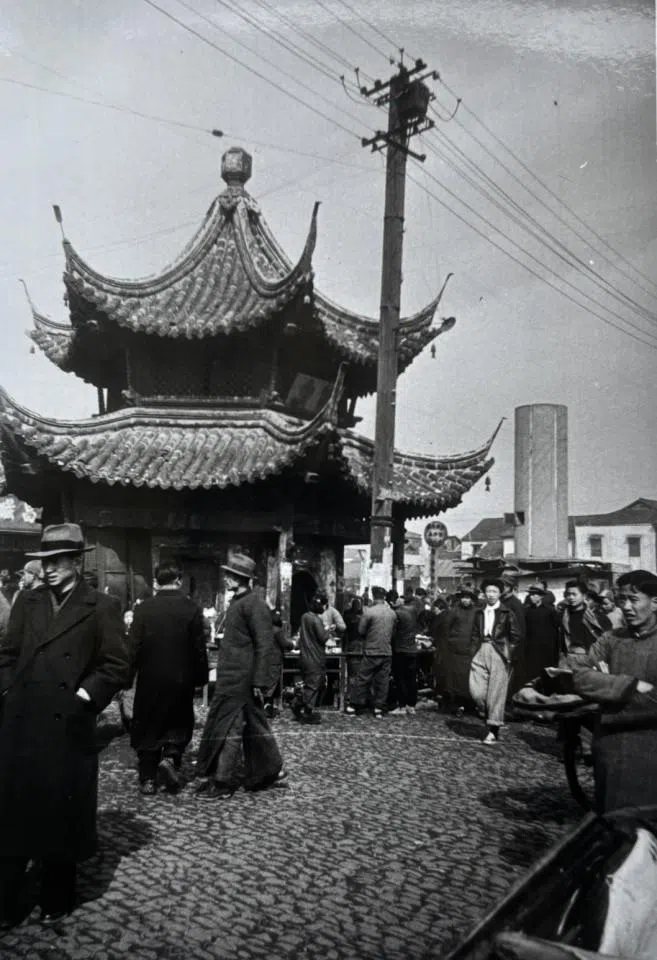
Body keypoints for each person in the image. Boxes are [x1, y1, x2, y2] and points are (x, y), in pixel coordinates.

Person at [0, 523, 129, 926]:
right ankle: (6, 901)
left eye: (58, 561)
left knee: (61, 811)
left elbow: (117, 665)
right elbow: (7, 652)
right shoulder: (28, 601)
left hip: (68, 725)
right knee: (14, 812)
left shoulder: (101, 606)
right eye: (45, 562)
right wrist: (7, 689)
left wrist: (84, 697)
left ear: (76, 562)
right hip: (21, 722)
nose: (49, 569)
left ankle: (56, 897)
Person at [195, 553, 285, 798]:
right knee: (251, 726)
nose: (226, 578)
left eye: (231, 575)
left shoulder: (254, 604)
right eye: (227, 574)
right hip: (231, 678)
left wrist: (259, 681)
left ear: (242, 578)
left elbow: (265, 645)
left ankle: (222, 782)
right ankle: (269, 770)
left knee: (230, 729)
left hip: (241, 680)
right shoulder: (238, 602)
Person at [571, 570, 657, 812]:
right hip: (610, 747)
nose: (626, 607)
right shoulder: (611, 639)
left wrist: (606, 696)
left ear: (655, 602)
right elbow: (580, 675)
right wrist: (628, 685)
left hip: (651, 748)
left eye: (634, 599)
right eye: (622, 600)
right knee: (611, 817)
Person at [128, 562, 209, 795]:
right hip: (180, 679)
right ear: (179, 580)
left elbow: (132, 647)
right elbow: (199, 649)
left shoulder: (143, 609)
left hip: (150, 678)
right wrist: (200, 677)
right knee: (178, 720)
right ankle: (171, 757)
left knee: (148, 723)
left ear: (156, 582)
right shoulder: (191, 609)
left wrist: (127, 677)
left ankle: (147, 778)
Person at [469, 577, 521, 743]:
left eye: (494, 591)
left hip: (499, 651)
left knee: (496, 693)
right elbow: (475, 633)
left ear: (500, 594)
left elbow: (516, 636)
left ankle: (493, 730)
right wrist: (473, 651)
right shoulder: (479, 612)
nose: (491, 594)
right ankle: (488, 715)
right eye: (488, 591)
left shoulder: (507, 613)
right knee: (476, 691)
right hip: (481, 650)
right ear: (484, 594)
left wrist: (508, 654)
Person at [346, 585, 396, 718]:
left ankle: (354, 705)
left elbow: (361, 630)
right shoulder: (392, 613)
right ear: (384, 597)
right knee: (383, 680)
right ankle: (379, 708)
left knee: (363, 678)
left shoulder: (369, 612)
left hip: (371, 650)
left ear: (373, 597)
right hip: (386, 650)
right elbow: (393, 632)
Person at [435, 587, 478, 714]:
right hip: (454, 651)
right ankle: (454, 704)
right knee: (452, 679)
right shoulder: (453, 611)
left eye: (468, 598)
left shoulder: (476, 612)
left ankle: (467, 704)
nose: (465, 600)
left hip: (468, 651)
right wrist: (448, 645)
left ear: (471, 599)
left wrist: (474, 647)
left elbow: (477, 631)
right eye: (463, 597)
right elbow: (446, 629)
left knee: (467, 679)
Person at [294, 593, 328, 724]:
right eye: (324, 605)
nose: (324, 608)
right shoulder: (316, 620)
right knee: (313, 685)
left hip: (305, 656)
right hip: (315, 657)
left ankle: (306, 710)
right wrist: (328, 630)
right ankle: (299, 705)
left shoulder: (304, 617)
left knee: (311, 684)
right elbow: (323, 638)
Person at [560, 579, 611, 666]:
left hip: (591, 660)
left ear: (584, 595)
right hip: (568, 659)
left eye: (574, 594)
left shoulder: (597, 617)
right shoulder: (562, 616)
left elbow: (608, 640)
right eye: (568, 594)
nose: (571, 597)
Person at [520, 585, 561, 686]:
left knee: (546, 673)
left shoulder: (550, 610)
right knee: (532, 673)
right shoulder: (527, 611)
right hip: (531, 647)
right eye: (530, 595)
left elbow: (556, 630)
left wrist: (554, 648)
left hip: (546, 648)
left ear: (541, 596)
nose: (532, 597)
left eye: (535, 595)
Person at [389, 592, 419, 716]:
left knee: (400, 678)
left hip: (400, 649)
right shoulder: (413, 611)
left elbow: (392, 632)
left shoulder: (396, 614)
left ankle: (401, 705)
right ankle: (411, 705)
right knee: (411, 678)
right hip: (412, 649)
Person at [263, 609, 293, 718]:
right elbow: (285, 644)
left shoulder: (265, 629)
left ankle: (267, 706)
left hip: (265, 658)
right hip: (275, 659)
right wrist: (293, 644)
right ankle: (267, 707)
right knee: (272, 683)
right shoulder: (277, 631)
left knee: (267, 682)